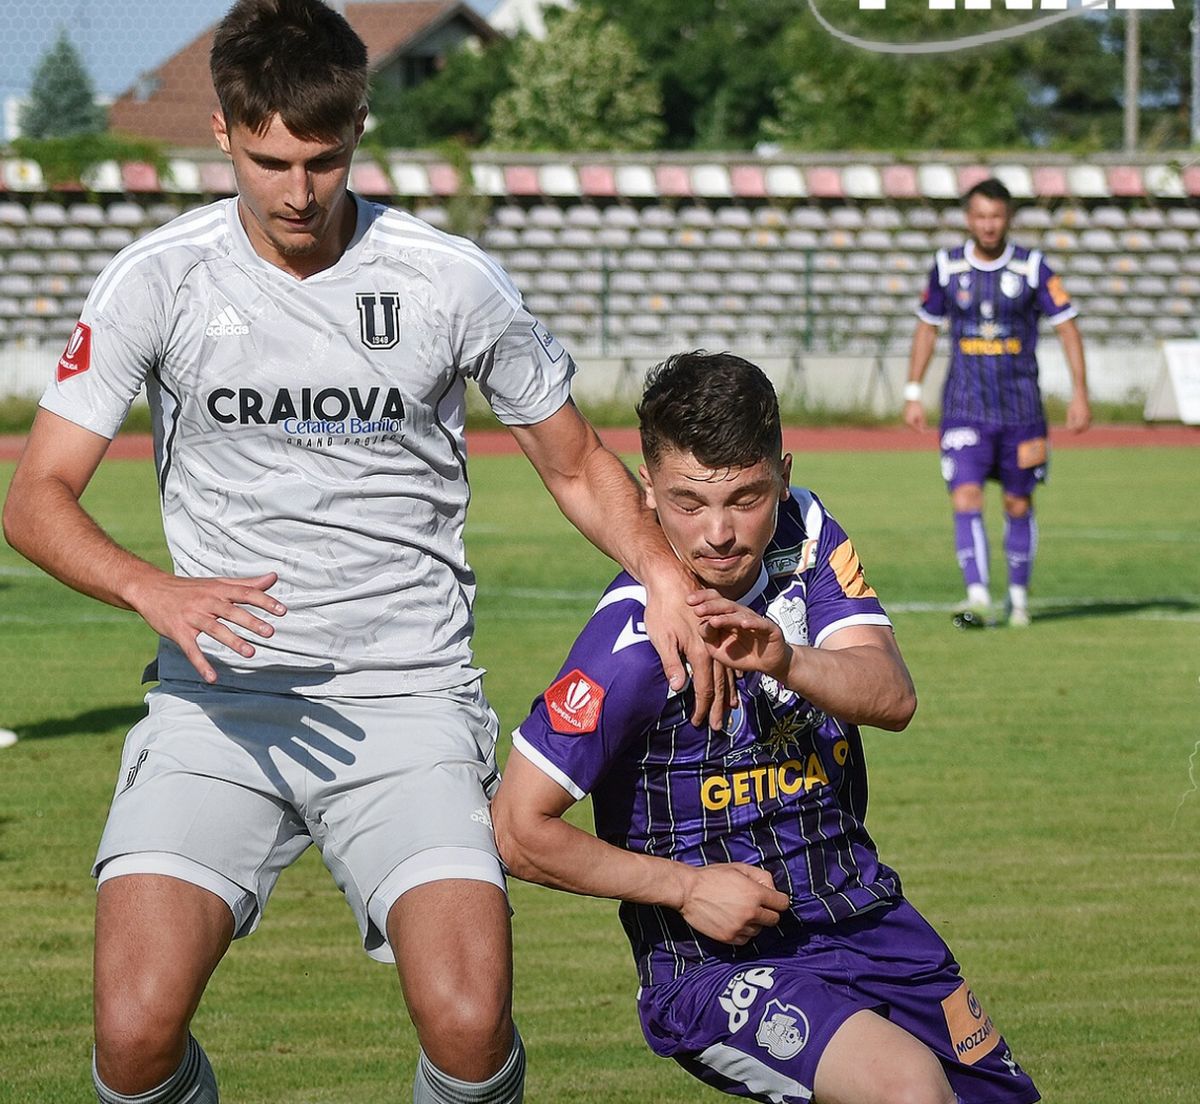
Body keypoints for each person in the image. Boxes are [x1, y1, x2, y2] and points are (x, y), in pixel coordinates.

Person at [0, 2, 726, 1101]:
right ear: (223, 135)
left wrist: (666, 576)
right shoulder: (158, 278)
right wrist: (152, 588)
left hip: (408, 699)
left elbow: (576, 464)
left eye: (324, 160)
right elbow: (36, 496)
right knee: (133, 1033)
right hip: (219, 705)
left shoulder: (447, 278)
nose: (297, 191)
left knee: (469, 1022)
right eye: (269, 160)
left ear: (360, 131)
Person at [492, 351, 1040, 1104]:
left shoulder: (807, 534)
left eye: (746, 497)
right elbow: (518, 828)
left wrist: (784, 658)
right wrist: (684, 888)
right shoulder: (628, 645)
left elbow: (891, 695)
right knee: (907, 1092)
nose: (717, 532)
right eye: (688, 503)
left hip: (865, 915)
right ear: (645, 489)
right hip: (716, 966)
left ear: (783, 475)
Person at [904, 177, 1090, 628]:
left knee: (1018, 504)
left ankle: (1020, 598)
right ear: (969, 219)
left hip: (1022, 411)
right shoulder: (947, 268)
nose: (988, 225)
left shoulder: (1033, 268)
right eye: (980, 216)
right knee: (965, 495)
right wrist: (913, 389)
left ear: (1007, 218)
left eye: (996, 216)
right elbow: (927, 327)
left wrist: (1080, 390)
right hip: (965, 407)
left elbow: (1067, 326)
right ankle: (978, 596)